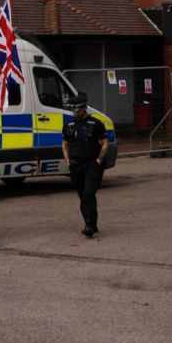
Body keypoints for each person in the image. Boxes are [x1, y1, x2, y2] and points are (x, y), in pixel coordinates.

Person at [61, 94, 109, 237]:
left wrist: (99, 160)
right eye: (73, 110)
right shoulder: (69, 125)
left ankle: (89, 224)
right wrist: (67, 161)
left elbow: (105, 143)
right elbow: (64, 144)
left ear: (84, 108)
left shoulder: (96, 123)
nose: (75, 112)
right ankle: (91, 223)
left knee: (88, 193)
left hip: (91, 164)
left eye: (77, 109)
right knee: (83, 196)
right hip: (75, 165)